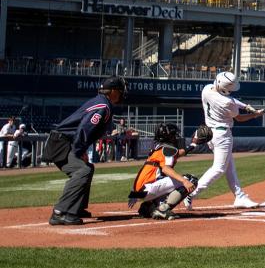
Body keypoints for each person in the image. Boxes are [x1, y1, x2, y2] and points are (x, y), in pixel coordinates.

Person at [44, 76, 126, 225]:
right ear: (113, 91)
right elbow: (85, 128)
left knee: (88, 168)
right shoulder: (103, 106)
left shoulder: (101, 102)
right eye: (120, 91)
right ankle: (60, 212)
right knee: (82, 171)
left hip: (65, 142)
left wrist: (79, 150)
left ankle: (76, 208)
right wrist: (79, 151)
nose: (121, 94)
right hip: (61, 143)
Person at [184, 71, 263, 210]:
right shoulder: (227, 102)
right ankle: (191, 193)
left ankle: (240, 196)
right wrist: (255, 115)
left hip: (210, 133)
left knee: (229, 167)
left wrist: (245, 106)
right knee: (219, 168)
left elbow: (233, 100)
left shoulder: (207, 89)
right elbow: (239, 118)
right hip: (222, 135)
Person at [128, 124, 205, 220]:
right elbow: (166, 169)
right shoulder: (168, 148)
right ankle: (162, 209)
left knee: (166, 180)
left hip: (139, 192)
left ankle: (147, 207)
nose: (175, 137)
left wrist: (193, 144)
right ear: (168, 136)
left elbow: (179, 153)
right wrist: (184, 181)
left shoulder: (160, 148)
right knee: (191, 179)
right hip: (148, 189)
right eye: (173, 135)